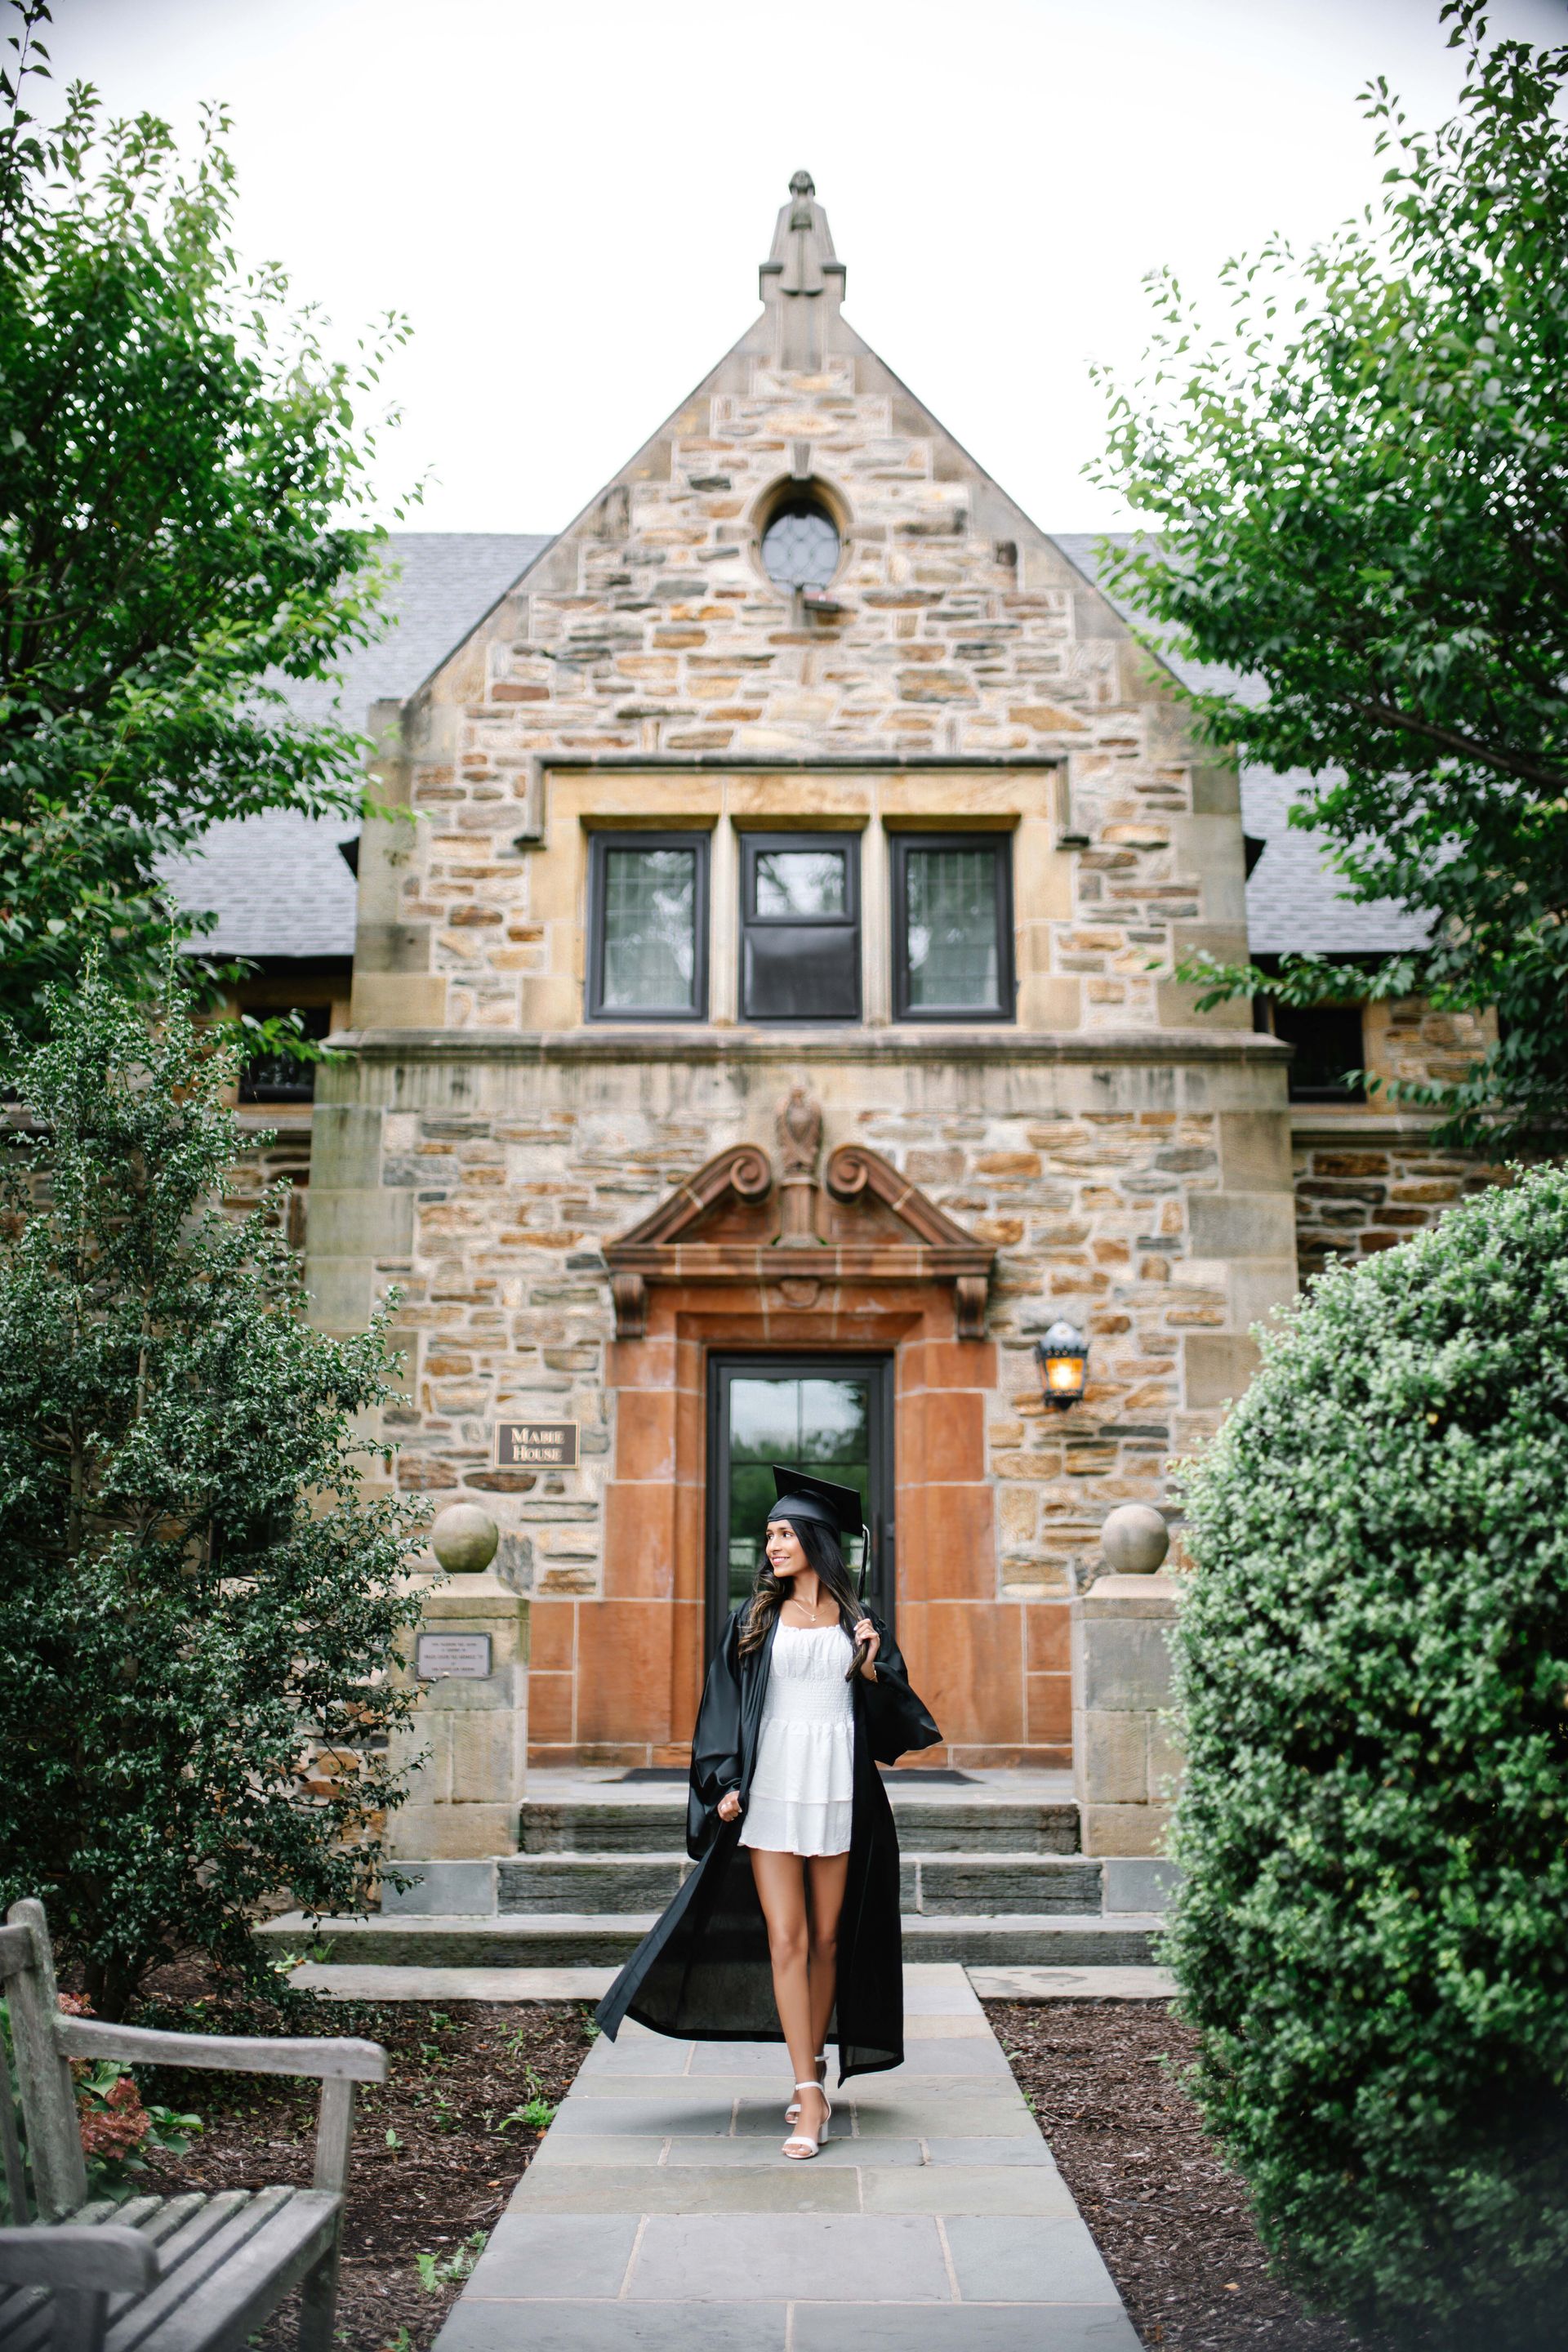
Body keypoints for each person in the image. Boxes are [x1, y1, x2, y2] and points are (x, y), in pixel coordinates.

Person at [595, 1464, 940, 2161]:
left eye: (785, 1533)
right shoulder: (753, 1620)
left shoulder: (861, 1624)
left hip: (838, 1787)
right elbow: (720, 1706)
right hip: (775, 1786)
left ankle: (809, 2066)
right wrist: (723, 1779)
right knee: (786, 1939)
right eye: (769, 1534)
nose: (773, 1545)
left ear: (816, 1538)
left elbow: (901, 1728)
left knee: (827, 1942)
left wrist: (873, 1669)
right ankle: (807, 2089)